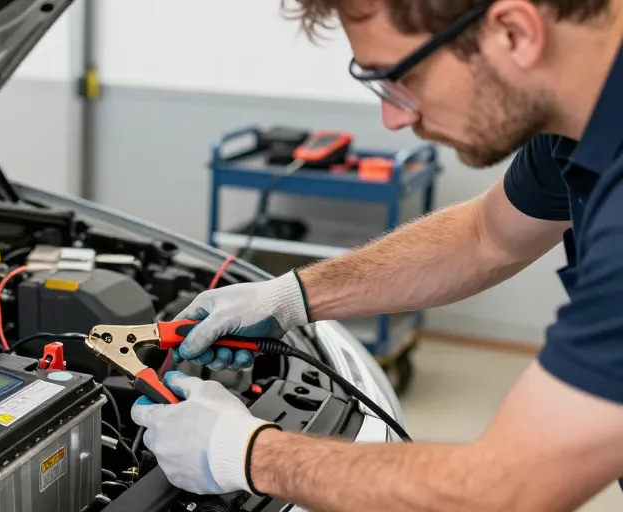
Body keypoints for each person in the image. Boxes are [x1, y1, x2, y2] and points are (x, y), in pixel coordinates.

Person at [130, 0, 623, 510]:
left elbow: (502, 491)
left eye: (397, 78)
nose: (393, 118)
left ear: (515, 32)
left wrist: (243, 451)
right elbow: (486, 236)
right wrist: (287, 298)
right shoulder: (574, 125)